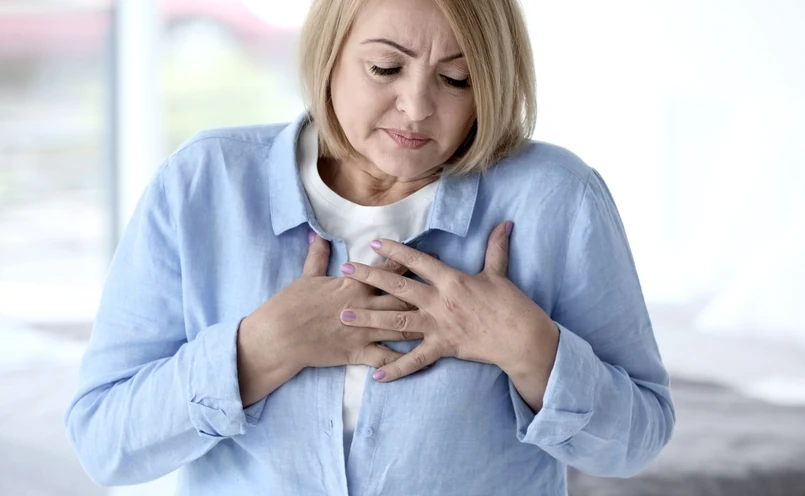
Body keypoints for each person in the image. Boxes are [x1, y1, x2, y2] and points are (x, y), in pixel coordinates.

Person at [64, 0, 676, 494]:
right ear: (330, 53)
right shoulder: (202, 183)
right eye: (385, 68)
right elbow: (105, 444)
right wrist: (261, 349)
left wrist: (531, 350)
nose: (417, 107)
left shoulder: (559, 198)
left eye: (456, 78)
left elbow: (638, 440)